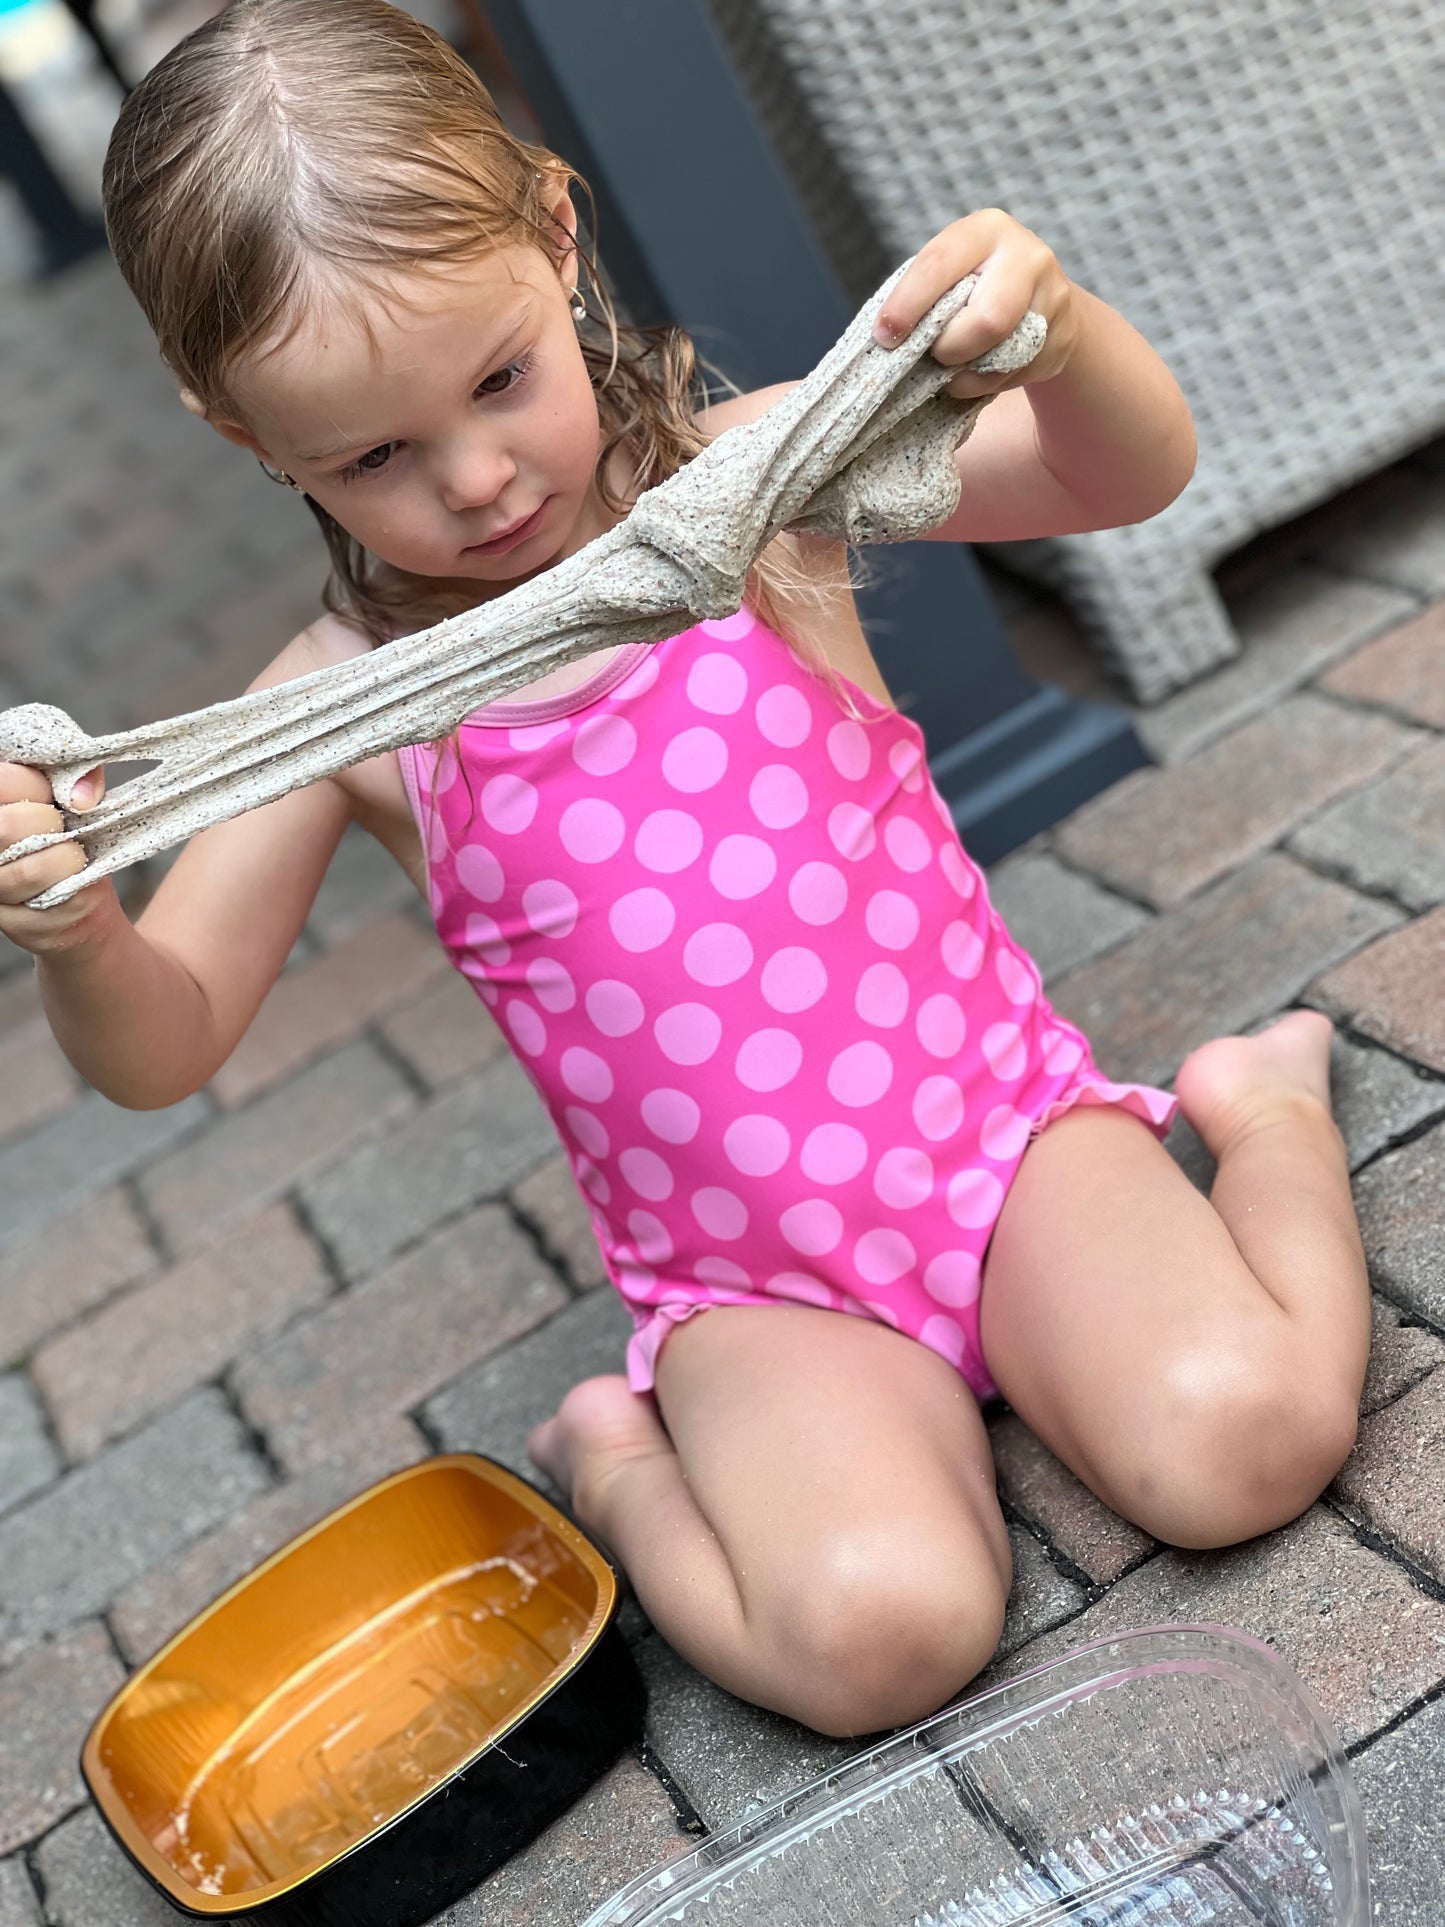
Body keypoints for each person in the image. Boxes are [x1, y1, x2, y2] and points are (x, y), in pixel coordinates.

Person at [0, 0, 1369, 1740]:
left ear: (557, 240)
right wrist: (75, 930)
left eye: (496, 379)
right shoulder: (331, 708)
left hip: (999, 1151)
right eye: (372, 457)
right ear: (245, 438)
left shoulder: (745, 493)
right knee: (877, 1638)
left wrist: (1056, 335)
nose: (478, 478)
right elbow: (164, 1043)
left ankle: (1264, 1119)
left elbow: (1122, 477)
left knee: (1244, 1438)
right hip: (749, 1289)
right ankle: (619, 1455)